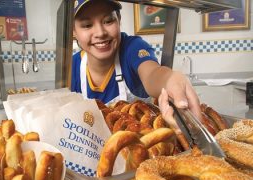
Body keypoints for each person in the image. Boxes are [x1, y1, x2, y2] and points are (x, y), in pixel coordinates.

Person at [71, 0, 202, 121]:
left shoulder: (132, 48)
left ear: (119, 20)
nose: (100, 33)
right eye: (87, 25)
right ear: (73, 31)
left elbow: (153, 74)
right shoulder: (71, 68)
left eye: (108, 21)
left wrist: (170, 79)